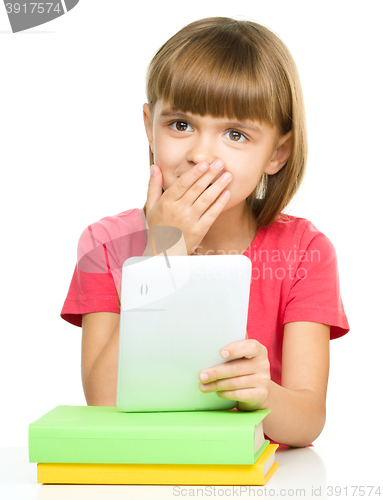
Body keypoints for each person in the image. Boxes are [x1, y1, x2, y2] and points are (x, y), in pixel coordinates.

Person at [61, 17, 349, 448]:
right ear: (148, 125)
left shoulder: (305, 252)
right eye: (180, 125)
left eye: (235, 134)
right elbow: (103, 404)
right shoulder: (103, 245)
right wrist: (164, 254)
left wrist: (264, 394)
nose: (199, 154)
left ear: (278, 152)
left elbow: (308, 423)